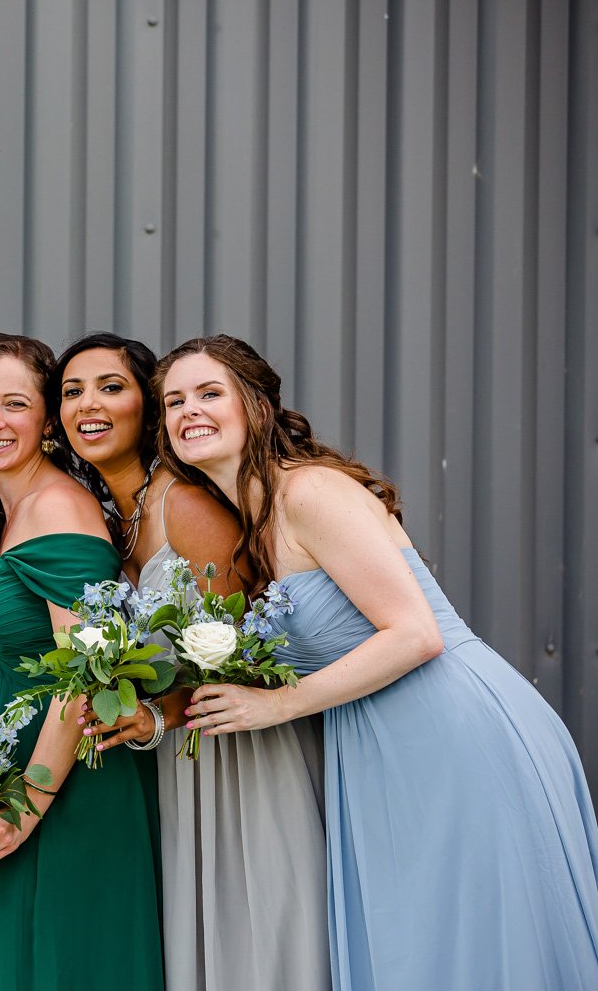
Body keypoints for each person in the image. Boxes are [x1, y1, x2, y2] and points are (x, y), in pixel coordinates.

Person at [159, 334, 598, 989]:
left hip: (450, 731)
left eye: (208, 393)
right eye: (173, 400)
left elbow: (415, 633)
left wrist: (275, 705)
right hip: (370, 743)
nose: (189, 409)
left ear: (256, 407)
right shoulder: (249, 526)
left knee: (474, 942)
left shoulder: (310, 493)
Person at [54, 333, 330, 990]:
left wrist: (158, 714)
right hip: (181, 768)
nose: (87, 403)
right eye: (71, 391)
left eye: (110, 387)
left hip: (238, 751)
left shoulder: (183, 501)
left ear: (147, 410)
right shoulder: (102, 514)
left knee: (258, 940)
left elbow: (244, 647)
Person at [0, 334, 163, 991]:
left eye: (15, 404)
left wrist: (24, 808)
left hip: (71, 785)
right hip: (24, 770)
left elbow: (83, 676)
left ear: (47, 421)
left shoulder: (59, 509)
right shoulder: (7, 512)